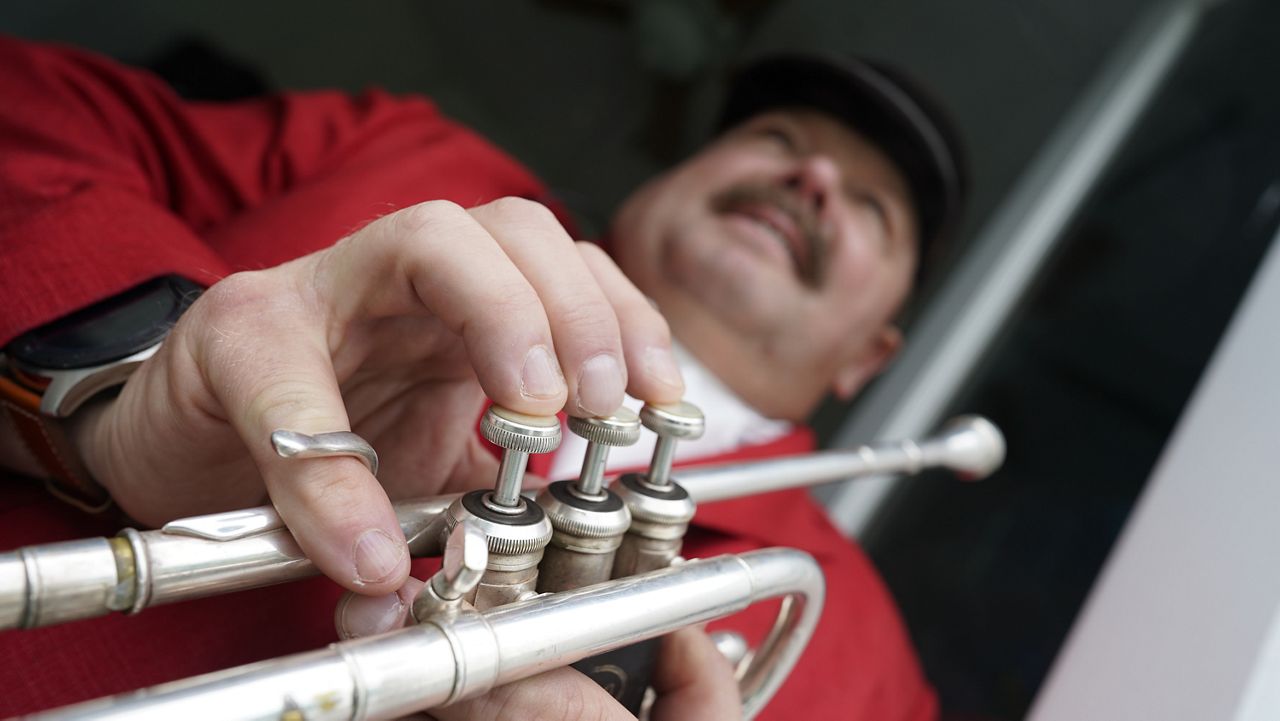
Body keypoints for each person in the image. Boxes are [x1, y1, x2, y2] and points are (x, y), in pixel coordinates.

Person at [0, 35, 962, 721]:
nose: (811, 178)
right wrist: (111, 387)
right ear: (667, 174)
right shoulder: (415, 156)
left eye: (870, 205)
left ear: (870, 357)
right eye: (780, 137)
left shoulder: (872, 672)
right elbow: (27, 100)